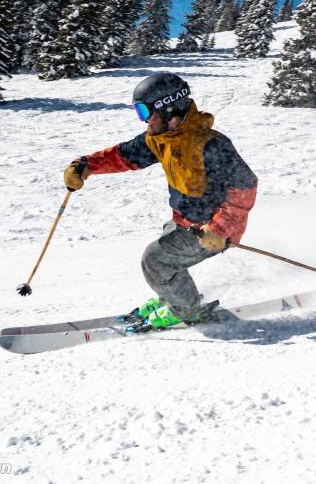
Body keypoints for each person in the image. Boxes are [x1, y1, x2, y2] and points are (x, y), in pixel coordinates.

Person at [63, 73, 257, 329]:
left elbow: (245, 186)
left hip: (212, 230)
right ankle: (175, 297)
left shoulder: (210, 145)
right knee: (165, 257)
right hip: (184, 221)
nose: (143, 120)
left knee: (156, 260)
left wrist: (220, 229)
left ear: (168, 109)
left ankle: (187, 310)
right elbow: (124, 155)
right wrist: (87, 165)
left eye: (144, 111)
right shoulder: (161, 139)